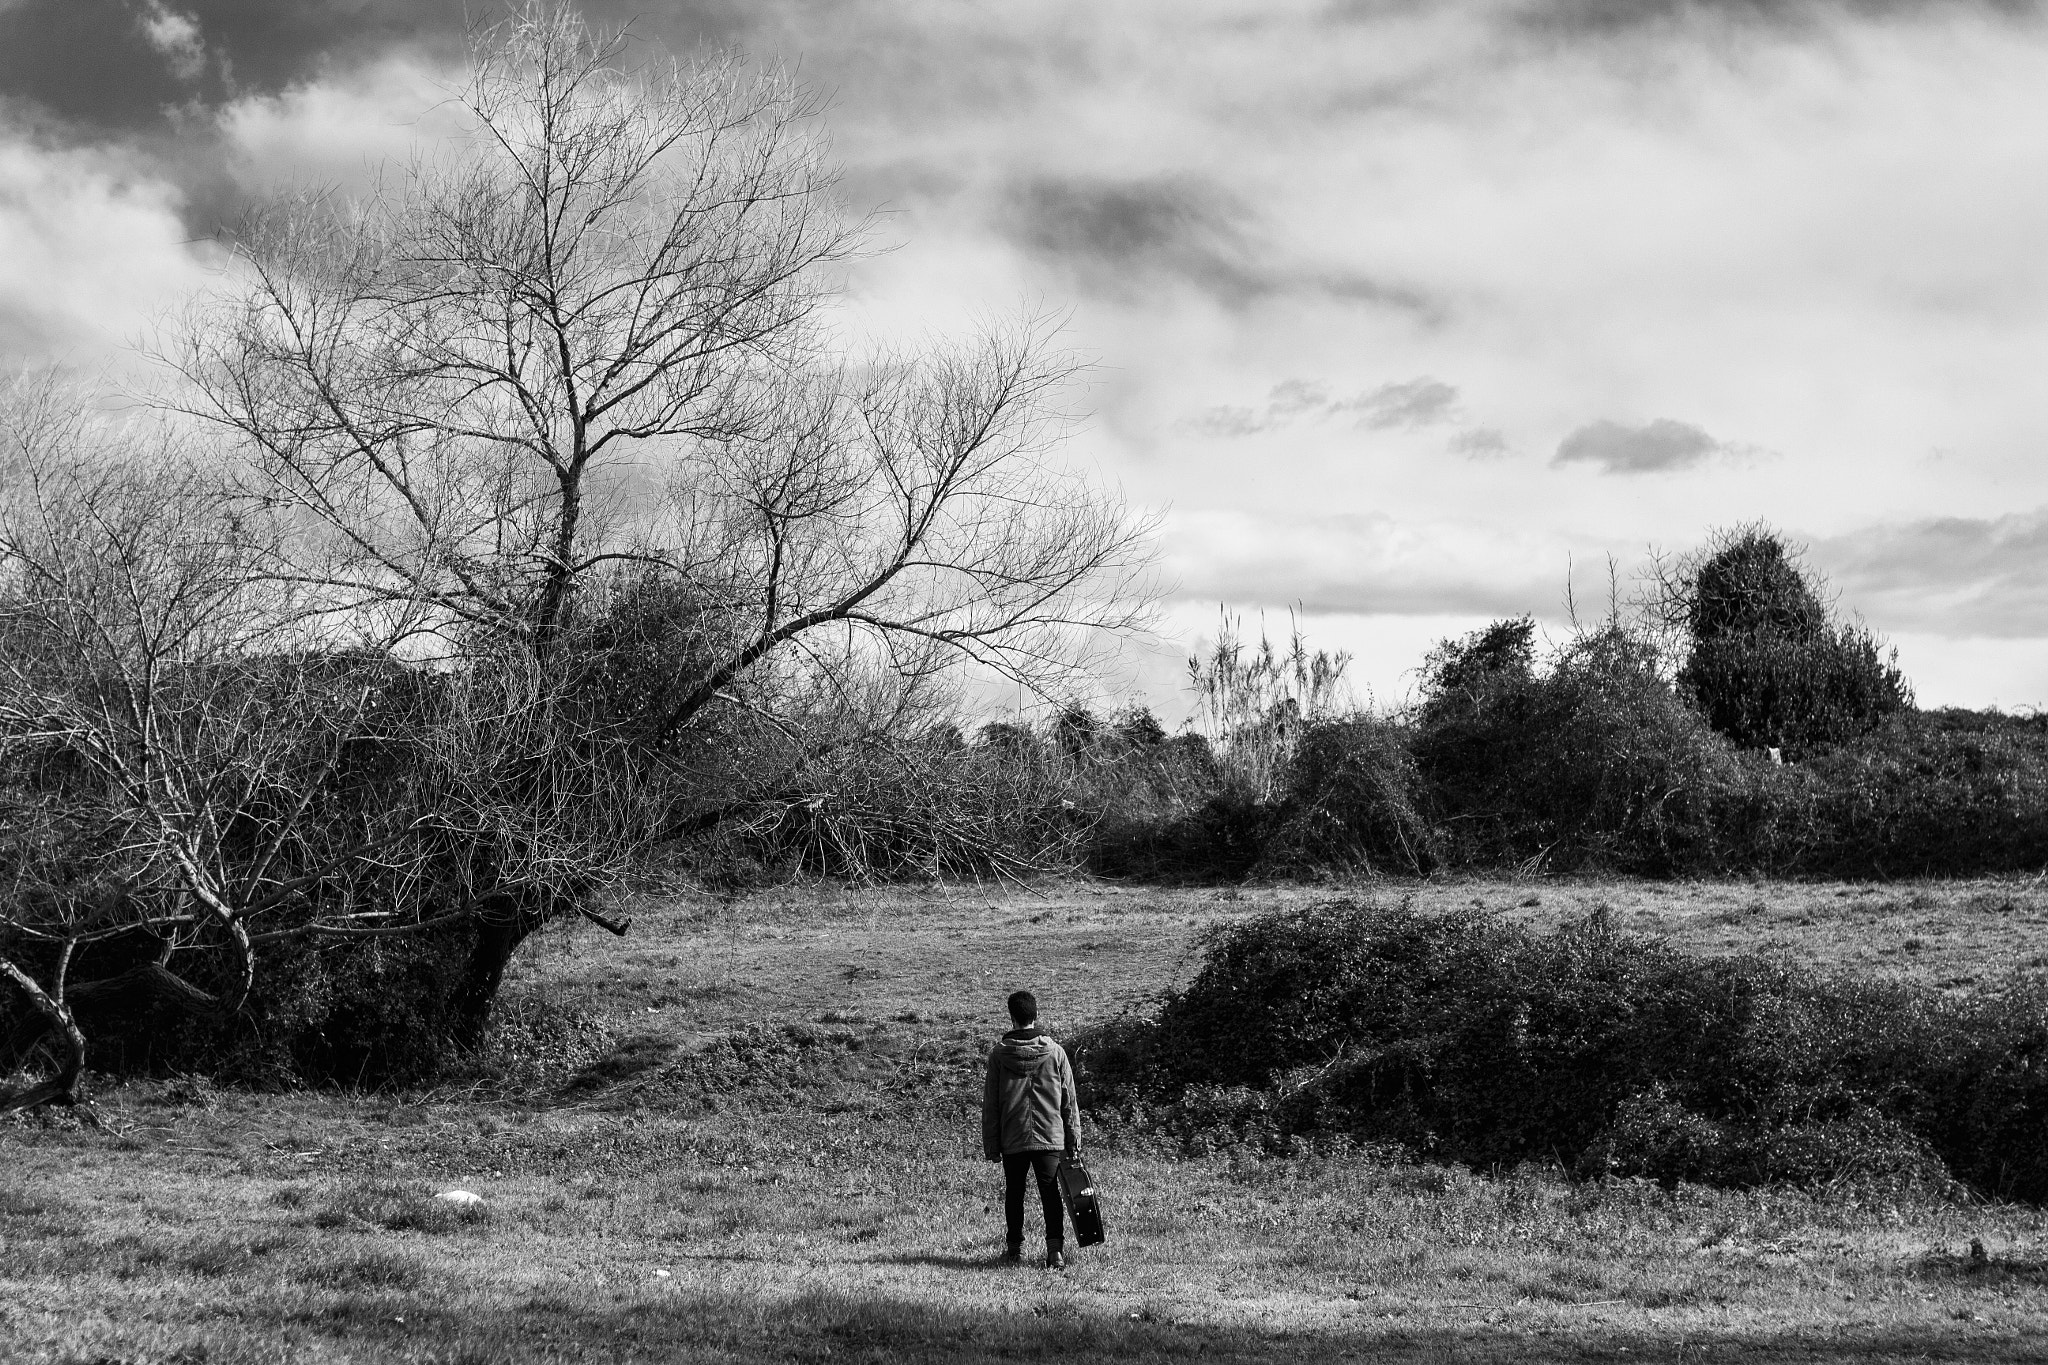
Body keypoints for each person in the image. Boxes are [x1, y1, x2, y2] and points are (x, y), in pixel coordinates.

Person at [981, 989, 1082, 1269]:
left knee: (1014, 1193)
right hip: (1050, 1135)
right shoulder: (1056, 1053)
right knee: (1051, 1193)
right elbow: (1069, 1102)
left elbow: (991, 1104)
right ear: (1036, 1016)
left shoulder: (999, 1056)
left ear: (1011, 1017)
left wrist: (992, 1144)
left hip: (1013, 1135)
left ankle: (1015, 1251)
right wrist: (1073, 1141)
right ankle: (1055, 1252)